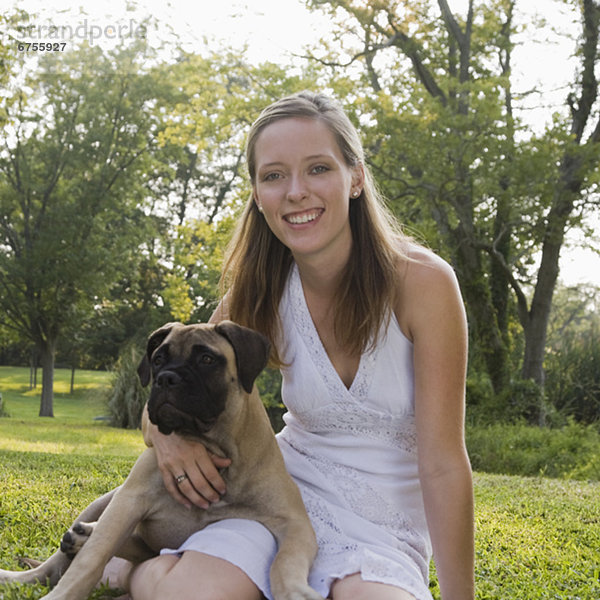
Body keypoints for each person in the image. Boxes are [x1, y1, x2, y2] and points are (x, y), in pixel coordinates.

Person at [124, 91, 475, 600]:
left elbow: (442, 463)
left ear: (354, 177)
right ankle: (135, 570)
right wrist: (167, 437)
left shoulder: (424, 283)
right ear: (257, 193)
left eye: (317, 169)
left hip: (380, 526)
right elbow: (177, 383)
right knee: (193, 592)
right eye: (273, 176)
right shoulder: (257, 291)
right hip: (275, 502)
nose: (295, 192)